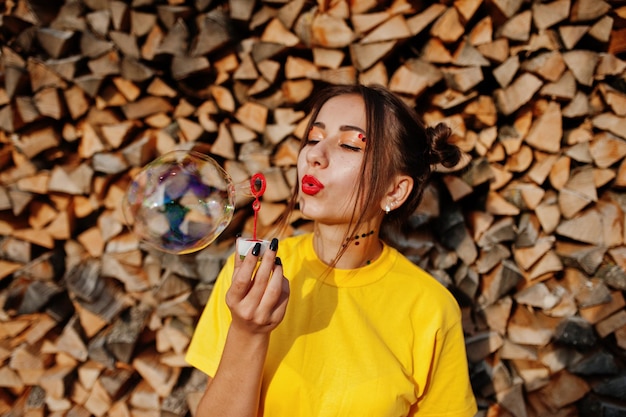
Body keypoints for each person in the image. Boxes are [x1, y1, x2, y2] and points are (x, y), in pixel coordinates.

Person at [185, 83, 478, 416]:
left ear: (395, 191)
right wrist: (246, 331)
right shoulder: (252, 275)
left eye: (350, 145)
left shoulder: (430, 309)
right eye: (313, 138)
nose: (314, 155)